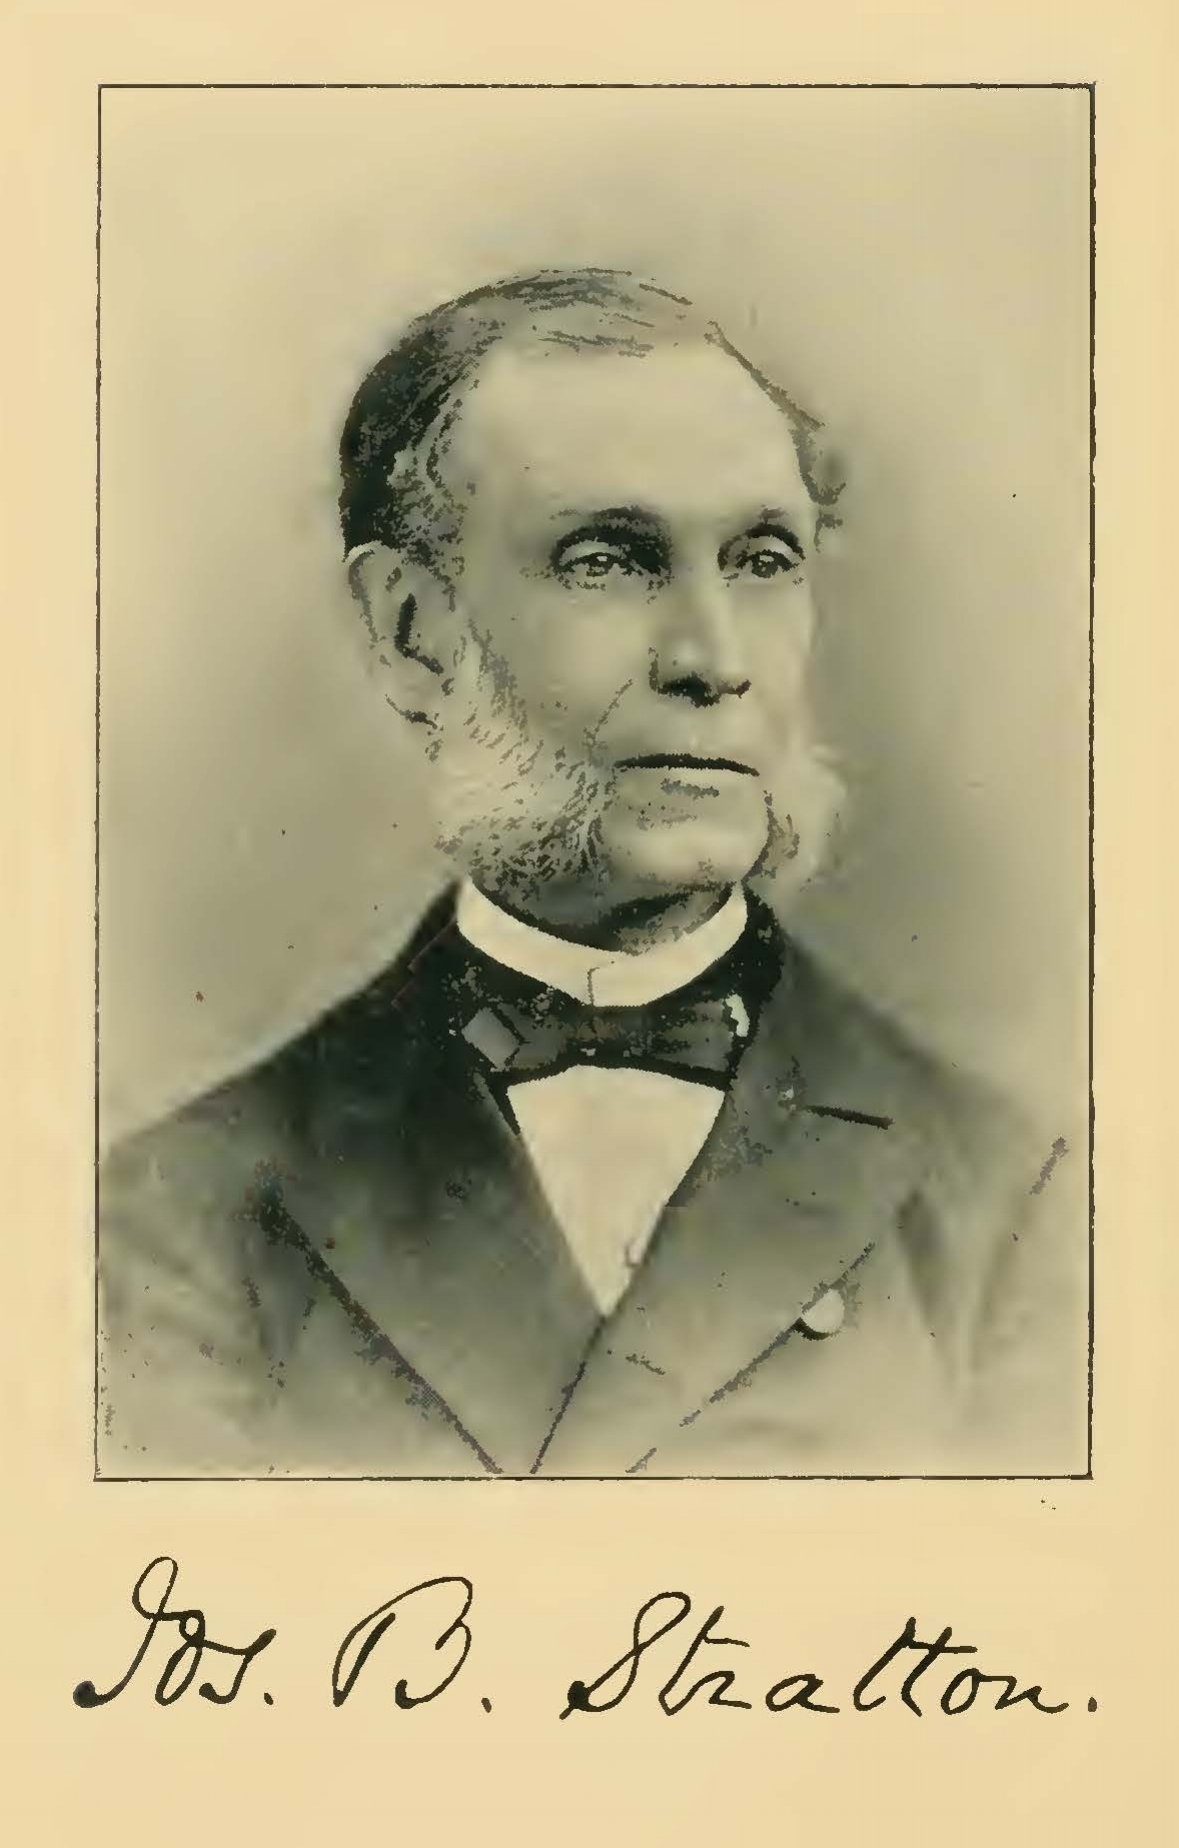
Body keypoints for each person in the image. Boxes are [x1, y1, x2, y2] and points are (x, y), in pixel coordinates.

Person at [98, 268, 1085, 1478]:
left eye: (763, 559)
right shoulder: (177, 1217)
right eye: (607, 561)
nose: (712, 658)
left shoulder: (1017, 1200)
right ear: (414, 633)